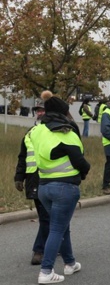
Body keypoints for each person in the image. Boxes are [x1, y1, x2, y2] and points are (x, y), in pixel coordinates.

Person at [30, 91, 90, 284]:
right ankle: (46, 271)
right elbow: (80, 162)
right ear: (64, 113)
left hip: (44, 187)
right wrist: (86, 170)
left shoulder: (37, 131)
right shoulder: (66, 132)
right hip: (64, 187)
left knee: (62, 227)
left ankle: (70, 264)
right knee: (57, 228)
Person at [14, 101, 50, 265]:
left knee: (50, 217)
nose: (40, 113)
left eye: (43, 111)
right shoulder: (30, 133)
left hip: (51, 178)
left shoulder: (55, 131)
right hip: (34, 180)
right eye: (38, 111)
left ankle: (46, 247)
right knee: (46, 217)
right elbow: (23, 157)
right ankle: (40, 250)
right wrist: (19, 177)